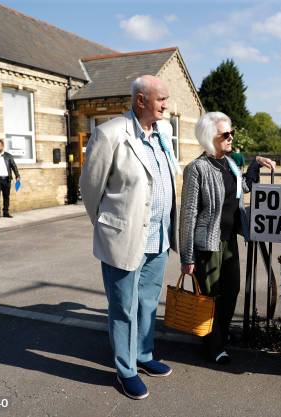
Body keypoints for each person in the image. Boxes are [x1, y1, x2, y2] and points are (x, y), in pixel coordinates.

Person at [80, 75, 179, 400]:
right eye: (161, 98)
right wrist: (109, 225)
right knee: (123, 307)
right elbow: (90, 189)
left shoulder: (163, 133)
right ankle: (126, 370)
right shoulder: (109, 134)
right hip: (124, 238)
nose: (166, 104)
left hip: (159, 237)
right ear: (140, 101)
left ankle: (144, 355)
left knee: (147, 303)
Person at [179, 112, 275, 364]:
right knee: (209, 296)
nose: (231, 137)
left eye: (231, 132)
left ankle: (218, 335)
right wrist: (187, 256)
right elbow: (188, 214)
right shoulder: (196, 169)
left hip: (229, 239)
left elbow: (245, 186)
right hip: (207, 244)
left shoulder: (230, 163)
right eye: (225, 134)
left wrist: (255, 164)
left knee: (231, 290)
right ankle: (213, 346)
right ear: (211, 138)